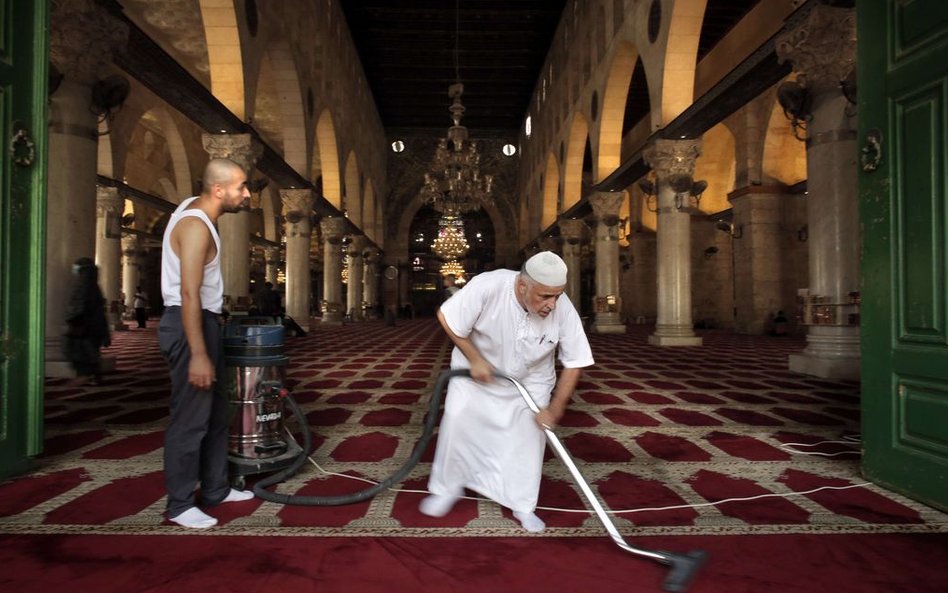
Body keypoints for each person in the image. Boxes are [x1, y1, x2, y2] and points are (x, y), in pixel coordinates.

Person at [420, 251, 594, 532]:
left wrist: (555, 408)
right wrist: (475, 358)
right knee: (458, 424)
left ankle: (523, 505)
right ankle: (446, 488)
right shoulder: (488, 286)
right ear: (522, 286)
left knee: (528, 440)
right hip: (476, 375)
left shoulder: (562, 308)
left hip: (530, 381)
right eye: (544, 297)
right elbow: (448, 318)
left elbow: (575, 361)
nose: (552, 304)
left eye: (557, 296)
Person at [158, 158, 255, 529]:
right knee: (190, 419)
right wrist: (198, 353)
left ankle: (216, 488)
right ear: (218, 190)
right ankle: (180, 504)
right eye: (241, 187)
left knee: (216, 414)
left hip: (207, 323)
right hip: (189, 324)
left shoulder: (195, 208)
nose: (246, 194)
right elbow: (187, 293)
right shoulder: (196, 226)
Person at [62, 257, 111, 384]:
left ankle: (87, 376)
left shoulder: (84, 286)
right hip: (92, 325)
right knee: (89, 352)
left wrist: (71, 318)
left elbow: (79, 305)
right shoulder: (93, 286)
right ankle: (92, 376)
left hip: (84, 325)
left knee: (82, 351)